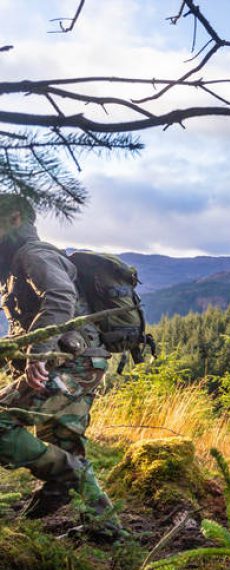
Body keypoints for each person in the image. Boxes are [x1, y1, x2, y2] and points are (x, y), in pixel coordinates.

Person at [0, 193, 120, 536]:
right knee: (64, 444)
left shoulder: (34, 254)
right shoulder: (16, 265)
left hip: (67, 365)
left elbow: (61, 297)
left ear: (15, 219)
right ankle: (107, 530)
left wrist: (37, 353)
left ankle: (63, 480)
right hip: (76, 363)